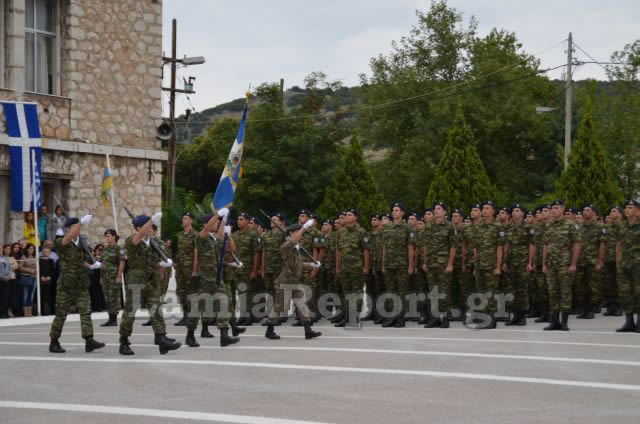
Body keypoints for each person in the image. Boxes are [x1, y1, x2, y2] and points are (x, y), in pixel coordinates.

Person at [118, 213, 180, 355]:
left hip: (152, 279)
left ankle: (161, 338)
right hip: (136, 279)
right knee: (130, 311)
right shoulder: (132, 240)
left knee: (156, 308)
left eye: (151, 224)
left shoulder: (153, 242)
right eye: (147, 224)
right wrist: (149, 221)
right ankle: (124, 341)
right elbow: (136, 239)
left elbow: (154, 261)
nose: (151, 226)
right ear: (138, 227)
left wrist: (162, 264)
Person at [48, 215, 105, 354]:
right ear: (68, 228)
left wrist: (92, 266)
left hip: (80, 283)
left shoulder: (82, 243)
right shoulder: (61, 241)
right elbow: (70, 237)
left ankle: (89, 340)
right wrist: (81, 223)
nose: (78, 229)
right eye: (75, 226)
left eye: (78, 226)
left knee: (86, 311)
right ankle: (54, 342)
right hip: (66, 285)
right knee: (61, 314)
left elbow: (82, 261)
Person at [189, 209, 241, 347]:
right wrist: (218, 215)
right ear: (207, 224)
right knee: (198, 308)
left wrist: (224, 219)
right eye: (215, 222)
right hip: (204, 279)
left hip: (217, 279)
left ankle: (224, 336)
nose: (217, 223)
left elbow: (223, 238)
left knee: (224, 303)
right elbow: (206, 229)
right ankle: (190, 335)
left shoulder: (214, 240)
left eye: (218, 222)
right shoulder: (200, 239)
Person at [264, 221, 322, 340]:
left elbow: (298, 264)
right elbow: (293, 240)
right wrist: (304, 227)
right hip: (285, 283)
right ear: (291, 233)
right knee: (279, 308)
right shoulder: (285, 246)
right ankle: (269, 330)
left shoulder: (296, 248)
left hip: (295, 281)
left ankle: (308, 331)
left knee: (302, 305)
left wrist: (311, 264)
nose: (300, 234)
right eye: (297, 232)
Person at [542, 200, 581, 331]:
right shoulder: (548, 225)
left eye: (556, 208)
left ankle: (564, 321)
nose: (554, 210)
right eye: (552, 208)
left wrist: (573, 264)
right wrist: (544, 263)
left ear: (562, 209)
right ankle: (554, 321)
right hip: (551, 264)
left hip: (565, 264)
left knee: (565, 292)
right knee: (552, 292)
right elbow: (545, 245)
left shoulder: (571, 225)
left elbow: (576, 244)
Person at [422, 202, 458, 329]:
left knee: (444, 292)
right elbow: (425, 245)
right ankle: (434, 318)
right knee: (433, 292)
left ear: (444, 212)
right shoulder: (428, 226)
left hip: (443, 264)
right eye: (435, 209)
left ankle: (445, 318)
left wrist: (450, 264)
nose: (436, 211)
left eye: (439, 209)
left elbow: (453, 246)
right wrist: (425, 262)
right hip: (431, 263)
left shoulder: (449, 226)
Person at [380, 202, 416, 328]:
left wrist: (411, 265)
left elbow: (410, 247)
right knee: (390, 291)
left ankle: (400, 318)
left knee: (401, 292)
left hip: (402, 265)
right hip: (389, 264)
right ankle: (390, 317)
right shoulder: (387, 227)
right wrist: (383, 263)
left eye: (397, 210)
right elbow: (385, 246)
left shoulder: (407, 228)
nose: (394, 212)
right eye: (393, 210)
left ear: (402, 213)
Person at [334, 208, 369, 327]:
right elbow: (338, 251)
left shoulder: (361, 231)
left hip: (357, 267)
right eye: (346, 215)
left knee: (357, 292)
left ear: (355, 217)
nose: (346, 216)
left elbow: (365, 250)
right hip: (344, 267)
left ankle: (355, 316)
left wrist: (365, 267)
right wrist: (337, 267)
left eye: (349, 215)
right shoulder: (341, 232)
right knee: (347, 293)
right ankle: (347, 316)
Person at [503, 204, 535, 326]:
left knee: (522, 289)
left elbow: (531, 245)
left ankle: (522, 316)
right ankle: (515, 315)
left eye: (517, 211)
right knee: (511, 289)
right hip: (511, 262)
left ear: (522, 213)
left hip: (522, 262)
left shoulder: (528, 227)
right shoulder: (508, 227)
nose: (514, 213)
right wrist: (505, 262)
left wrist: (530, 262)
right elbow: (506, 245)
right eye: (513, 211)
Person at [615, 200, 640, 333]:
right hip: (624, 264)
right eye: (625, 207)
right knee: (625, 293)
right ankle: (629, 322)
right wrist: (618, 263)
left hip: (638, 265)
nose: (627, 210)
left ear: (637, 210)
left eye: (630, 207)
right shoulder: (621, 225)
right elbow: (618, 245)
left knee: (639, 292)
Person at [174, 212, 198, 326]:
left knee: (191, 292)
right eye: (183, 218)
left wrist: (194, 270)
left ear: (191, 221)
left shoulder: (195, 235)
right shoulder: (180, 235)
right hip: (180, 269)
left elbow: (196, 254)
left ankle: (192, 317)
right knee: (181, 292)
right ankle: (185, 315)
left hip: (189, 269)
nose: (183, 220)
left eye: (186, 218)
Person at [100, 229, 125, 327]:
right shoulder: (105, 249)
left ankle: (114, 319)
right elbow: (103, 263)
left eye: (109, 236)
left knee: (114, 297)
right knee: (107, 298)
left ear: (114, 236)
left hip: (114, 276)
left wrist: (119, 276)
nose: (107, 238)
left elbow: (122, 262)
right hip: (106, 277)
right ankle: (110, 318)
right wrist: (101, 277)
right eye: (106, 236)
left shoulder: (119, 248)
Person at [18, 243, 37, 317]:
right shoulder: (24, 257)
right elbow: (20, 267)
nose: (31, 250)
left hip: (34, 277)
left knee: (31, 295)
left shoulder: (35, 257)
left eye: (32, 248)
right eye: (29, 248)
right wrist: (29, 270)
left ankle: (30, 312)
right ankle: (25, 312)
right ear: (27, 249)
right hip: (25, 277)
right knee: (25, 295)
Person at [1, 245, 19, 318]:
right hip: (3, 278)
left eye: (9, 249)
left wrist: (8, 266)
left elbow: (16, 266)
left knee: (11, 296)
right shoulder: (3, 258)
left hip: (11, 278)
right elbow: (3, 268)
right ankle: (3, 312)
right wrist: (9, 265)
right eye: (6, 248)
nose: (8, 250)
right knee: (4, 296)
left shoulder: (12, 257)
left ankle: (8, 311)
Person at [39, 245, 56, 315]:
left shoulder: (51, 260)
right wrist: (41, 276)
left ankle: (49, 311)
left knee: (49, 296)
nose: (45, 253)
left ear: (49, 253)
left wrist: (50, 277)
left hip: (49, 280)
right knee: (42, 296)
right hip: (41, 280)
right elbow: (39, 269)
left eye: (47, 251)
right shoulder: (39, 260)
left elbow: (53, 270)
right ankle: (43, 311)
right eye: (44, 251)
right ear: (42, 252)